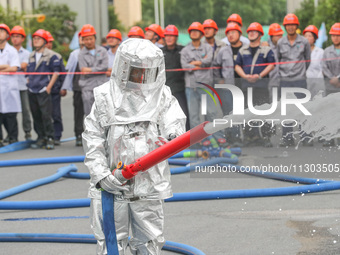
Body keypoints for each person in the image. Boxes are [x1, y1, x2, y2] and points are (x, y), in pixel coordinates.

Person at [82, 38, 186, 254]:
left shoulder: (162, 95)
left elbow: (174, 122)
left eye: (148, 72)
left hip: (148, 183)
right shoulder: (104, 96)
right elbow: (93, 139)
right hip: (111, 185)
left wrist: (174, 136)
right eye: (137, 71)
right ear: (123, 68)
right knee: (111, 244)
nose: (142, 78)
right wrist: (102, 176)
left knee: (149, 243)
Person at [181, 22, 224, 143]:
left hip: (205, 86)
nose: (194, 33)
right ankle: (200, 140)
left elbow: (209, 60)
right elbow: (185, 66)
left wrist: (193, 63)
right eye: (192, 31)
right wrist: (200, 62)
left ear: (201, 34)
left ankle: (218, 136)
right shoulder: (185, 50)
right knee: (194, 116)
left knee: (211, 113)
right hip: (191, 87)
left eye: (197, 31)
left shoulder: (207, 48)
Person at [235, 22, 275, 147]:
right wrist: (245, 76)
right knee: (247, 111)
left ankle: (266, 137)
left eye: (254, 31)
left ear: (260, 35)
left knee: (263, 111)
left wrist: (260, 76)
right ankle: (250, 137)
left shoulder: (266, 50)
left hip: (261, 86)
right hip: (246, 86)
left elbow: (271, 65)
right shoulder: (243, 50)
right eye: (250, 31)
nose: (251, 33)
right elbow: (237, 66)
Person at [277, 13, 311, 147]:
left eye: (293, 25)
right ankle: (288, 138)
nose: (290, 27)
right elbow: (278, 60)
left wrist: (300, 72)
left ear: (297, 26)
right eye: (288, 25)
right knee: (287, 111)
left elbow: (307, 60)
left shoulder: (304, 41)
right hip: (285, 81)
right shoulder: (280, 42)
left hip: (300, 80)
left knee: (303, 109)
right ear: (285, 26)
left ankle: (305, 137)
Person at [26, 29, 60, 150]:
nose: (35, 41)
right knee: (36, 115)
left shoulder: (51, 55)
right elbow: (29, 72)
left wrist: (49, 87)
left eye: (38, 39)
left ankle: (50, 137)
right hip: (32, 90)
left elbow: (56, 72)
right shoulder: (31, 55)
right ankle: (41, 137)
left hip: (43, 90)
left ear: (45, 41)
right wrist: (28, 82)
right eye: (34, 39)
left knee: (46, 115)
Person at [162, 24, 189, 130]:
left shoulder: (183, 50)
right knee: (165, 117)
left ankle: (187, 140)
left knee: (183, 115)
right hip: (164, 91)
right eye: (167, 36)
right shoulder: (160, 52)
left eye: (171, 35)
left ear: (176, 37)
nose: (168, 38)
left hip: (180, 90)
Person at [78, 24, 108, 116]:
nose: (89, 41)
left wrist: (90, 69)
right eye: (86, 39)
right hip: (87, 85)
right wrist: (96, 70)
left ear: (95, 38)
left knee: (103, 112)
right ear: (82, 40)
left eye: (91, 38)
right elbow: (83, 70)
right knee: (89, 113)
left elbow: (104, 67)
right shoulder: (81, 54)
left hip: (101, 84)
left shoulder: (102, 51)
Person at [62, 32, 85, 146]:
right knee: (78, 113)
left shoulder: (97, 53)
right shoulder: (74, 54)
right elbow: (69, 72)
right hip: (78, 88)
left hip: (92, 88)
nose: (84, 40)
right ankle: (79, 135)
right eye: (82, 38)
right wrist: (65, 87)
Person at [10, 25, 32, 141]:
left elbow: (22, 66)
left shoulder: (27, 53)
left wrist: (11, 67)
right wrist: (13, 67)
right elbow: (19, 66)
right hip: (9, 86)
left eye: (18, 36)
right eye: (13, 36)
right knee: (10, 112)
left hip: (23, 85)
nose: (15, 39)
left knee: (26, 110)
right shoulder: (7, 51)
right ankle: (12, 135)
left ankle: (27, 132)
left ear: (23, 38)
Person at [0, 24, 21, 147]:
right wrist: (5, 66)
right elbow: (9, 67)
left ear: (7, 35)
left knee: (10, 114)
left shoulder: (12, 50)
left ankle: (13, 138)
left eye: (2, 31)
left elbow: (13, 68)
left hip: (9, 87)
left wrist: (6, 67)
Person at [45, 30, 66, 145]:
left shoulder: (57, 56)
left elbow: (62, 74)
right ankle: (46, 135)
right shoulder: (38, 56)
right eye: (47, 42)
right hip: (41, 91)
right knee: (44, 114)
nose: (48, 44)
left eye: (50, 42)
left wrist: (63, 88)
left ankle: (57, 135)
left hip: (54, 90)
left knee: (56, 114)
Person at [321, 22, 340, 147]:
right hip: (330, 86)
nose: (335, 38)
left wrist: (338, 79)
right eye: (333, 35)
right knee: (330, 112)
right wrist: (332, 79)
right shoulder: (327, 51)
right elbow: (323, 67)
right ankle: (329, 137)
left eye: (338, 35)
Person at [303, 25, 325, 99]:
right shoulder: (300, 52)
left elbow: (323, 69)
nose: (307, 38)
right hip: (304, 84)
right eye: (306, 36)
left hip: (318, 84)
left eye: (310, 36)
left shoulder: (321, 52)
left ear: (315, 38)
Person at [267, 23, 284, 100]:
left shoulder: (284, 47)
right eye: (277, 35)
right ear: (271, 37)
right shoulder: (266, 48)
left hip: (284, 82)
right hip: (271, 83)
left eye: (281, 35)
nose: (280, 37)